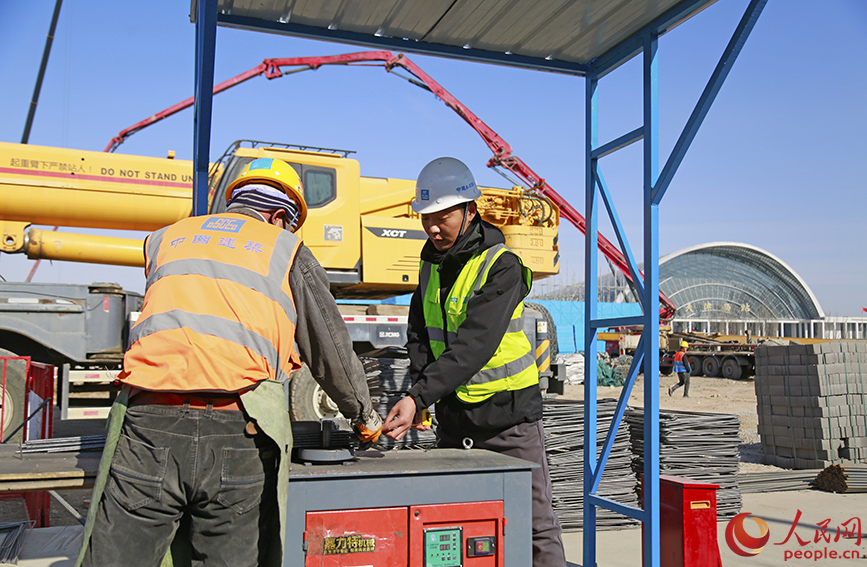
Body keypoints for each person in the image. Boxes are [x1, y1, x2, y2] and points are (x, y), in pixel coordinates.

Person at [76, 157, 382, 567]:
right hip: (235, 431)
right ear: (279, 216)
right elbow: (329, 348)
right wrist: (364, 417)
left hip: (148, 426)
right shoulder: (286, 248)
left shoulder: (166, 238)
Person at [381, 157, 566, 567]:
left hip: (508, 422)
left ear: (469, 210)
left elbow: (474, 345)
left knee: (535, 527)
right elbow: (420, 335)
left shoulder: (502, 266)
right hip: (456, 421)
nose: (432, 226)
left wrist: (417, 398)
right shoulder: (430, 263)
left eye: (442, 215)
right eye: (425, 216)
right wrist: (422, 398)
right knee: (458, 527)